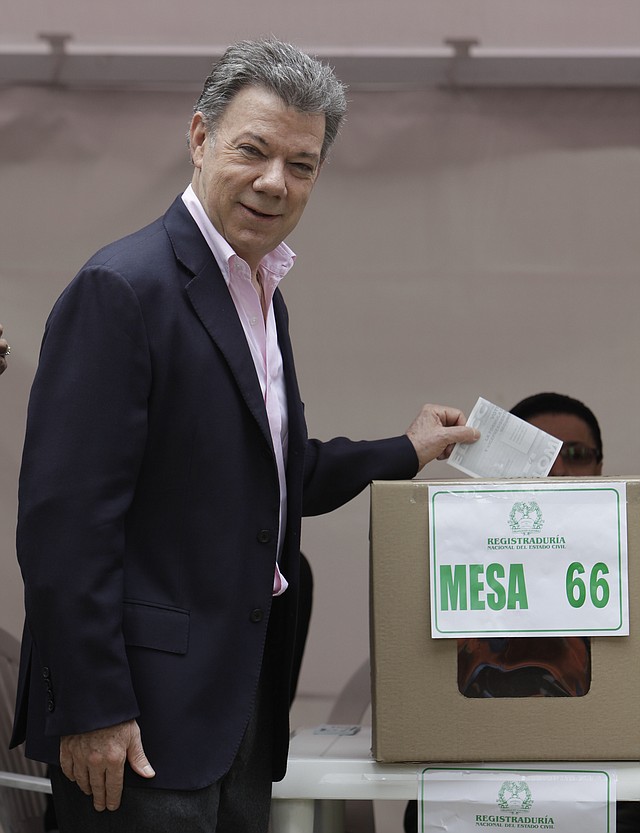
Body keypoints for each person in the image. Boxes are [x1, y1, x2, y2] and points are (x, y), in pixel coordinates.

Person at [11, 38, 479, 833]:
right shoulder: (121, 289)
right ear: (199, 137)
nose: (275, 182)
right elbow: (64, 526)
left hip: (236, 718)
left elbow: (276, 472)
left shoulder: (261, 293)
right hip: (134, 726)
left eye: (301, 165)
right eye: (253, 151)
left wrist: (405, 448)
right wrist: (93, 707)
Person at [405, 393, 637, 832]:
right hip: (471, 783)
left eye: (577, 454)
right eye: (542, 452)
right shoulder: (449, 557)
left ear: (601, 466)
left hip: (607, 787)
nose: (561, 469)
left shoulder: (630, 568)